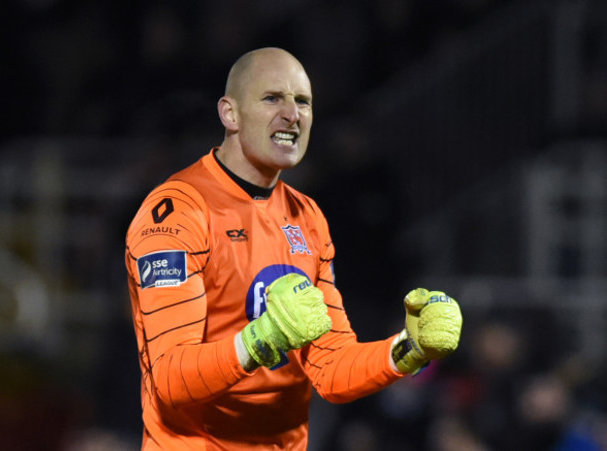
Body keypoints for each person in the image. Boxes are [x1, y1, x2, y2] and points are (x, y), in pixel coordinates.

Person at [125, 47, 463, 450]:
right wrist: (260, 340)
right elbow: (170, 379)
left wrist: (410, 347)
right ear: (230, 114)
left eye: (303, 101)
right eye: (272, 98)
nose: (292, 114)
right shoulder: (178, 212)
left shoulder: (308, 217)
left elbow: (331, 368)